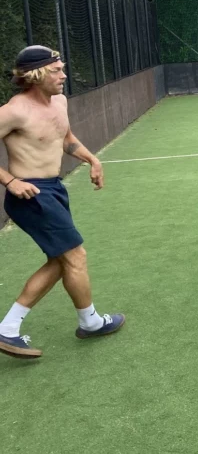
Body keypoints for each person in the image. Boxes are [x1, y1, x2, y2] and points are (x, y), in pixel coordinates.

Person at [0, 46, 125, 360]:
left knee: (61, 261)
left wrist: (92, 160)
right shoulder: (14, 111)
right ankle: (90, 322)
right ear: (37, 74)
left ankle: (10, 328)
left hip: (54, 190)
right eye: (57, 70)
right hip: (31, 195)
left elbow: (66, 139)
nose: (63, 76)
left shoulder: (60, 102)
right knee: (75, 256)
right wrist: (11, 181)